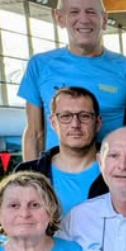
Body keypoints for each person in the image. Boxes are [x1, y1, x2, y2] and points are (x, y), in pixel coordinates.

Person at [19, 0, 126, 160]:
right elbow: (34, 133)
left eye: (91, 12)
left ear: (105, 20)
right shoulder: (40, 65)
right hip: (56, 179)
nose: (84, 19)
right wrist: (30, 181)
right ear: (60, 18)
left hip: (110, 178)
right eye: (74, 12)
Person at [14, 86, 106, 216]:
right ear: (53, 123)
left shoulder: (118, 171)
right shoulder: (27, 174)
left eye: (84, 116)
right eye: (65, 116)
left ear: (97, 123)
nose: (75, 124)